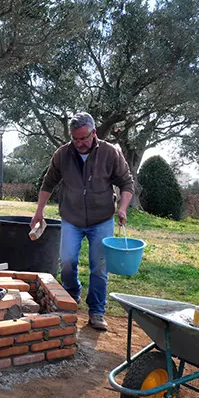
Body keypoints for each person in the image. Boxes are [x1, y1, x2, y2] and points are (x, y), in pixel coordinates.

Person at [30, 112, 134, 331]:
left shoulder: (110, 153)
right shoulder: (62, 154)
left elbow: (126, 183)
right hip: (71, 218)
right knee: (67, 261)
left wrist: (123, 208)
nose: (79, 143)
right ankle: (71, 296)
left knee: (99, 267)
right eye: (75, 139)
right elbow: (48, 183)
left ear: (94, 132)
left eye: (84, 138)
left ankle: (97, 311)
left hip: (102, 220)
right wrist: (38, 211)